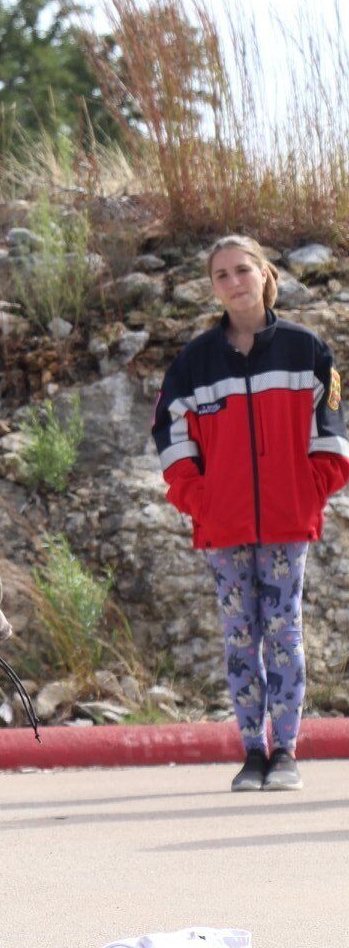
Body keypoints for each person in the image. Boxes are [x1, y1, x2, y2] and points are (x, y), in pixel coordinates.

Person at [151, 234, 348, 793]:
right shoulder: (193, 363)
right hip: (223, 525)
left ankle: (285, 752)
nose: (234, 282)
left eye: (243, 270)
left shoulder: (308, 351)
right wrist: (199, 498)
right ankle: (252, 753)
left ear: (265, 274)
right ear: (212, 287)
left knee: (284, 633)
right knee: (240, 637)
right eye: (222, 275)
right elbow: (168, 433)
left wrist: (307, 492)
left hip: (288, 523)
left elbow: (332, 437)